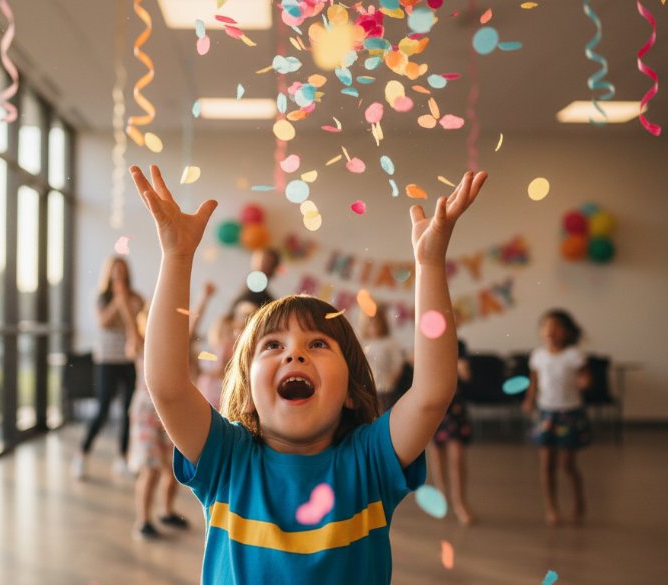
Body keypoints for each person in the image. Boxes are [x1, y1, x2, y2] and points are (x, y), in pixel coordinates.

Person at [131, 164, 487, 583]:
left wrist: (429, 265)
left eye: (317, 344)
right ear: (246, 394)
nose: (294, 355)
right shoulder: (228, 459)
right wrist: (176, 258)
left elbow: (432, 391)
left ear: (352, 392)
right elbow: (168, 386)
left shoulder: (369, 460)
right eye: (273, 346)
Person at [72, 256, 145, 479]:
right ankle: (82, 454)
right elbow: (103, 322)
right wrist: (118, 301)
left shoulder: (137, 298)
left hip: (127, 360)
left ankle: (123, 458)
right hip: (106, 360)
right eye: (115, 271)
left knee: (127, 410)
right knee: (102, 409)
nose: (119, 275)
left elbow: (137, 327)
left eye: (122, 270)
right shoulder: (102, 298)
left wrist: (126, 303)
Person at [125, 306, 190, 540]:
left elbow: (189, 327)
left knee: (172, 468)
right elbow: (131, 324)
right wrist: (122, 296)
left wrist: (203, 299)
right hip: (145, 414)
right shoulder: (140, 346)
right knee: (151, 469)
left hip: (166, 413)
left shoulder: (170, 347)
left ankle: (167, 511)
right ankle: (142, 521)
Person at [522, 309, 592, 526]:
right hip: (546, 413)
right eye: (546, 327)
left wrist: (584, 383)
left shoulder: (574, 355)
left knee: (568, 465)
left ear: (567, 332)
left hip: (570, 413)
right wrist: (529, 399)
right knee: (546, 465)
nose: (551, 331)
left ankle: (578, 503)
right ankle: (551, 508)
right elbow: (534, 382)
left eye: (556, 327)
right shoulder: (538, 356)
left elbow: (586, 378)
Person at [425, 337, 474, 525]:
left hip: (454, 409)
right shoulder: (425, 342)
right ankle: (442, 498)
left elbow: (466, 376)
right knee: (437, 455)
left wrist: (461, 367)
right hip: (434, 406)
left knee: (457, 457)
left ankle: (460, 502)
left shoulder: (459, 344)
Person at [361, 309, 405, 411]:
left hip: (385, 388)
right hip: (368, 388)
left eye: (376, 324)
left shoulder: (389, 343)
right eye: (370, 325)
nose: (373, 328)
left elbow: (397, 364)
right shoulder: (365, 343)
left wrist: (391, 381)